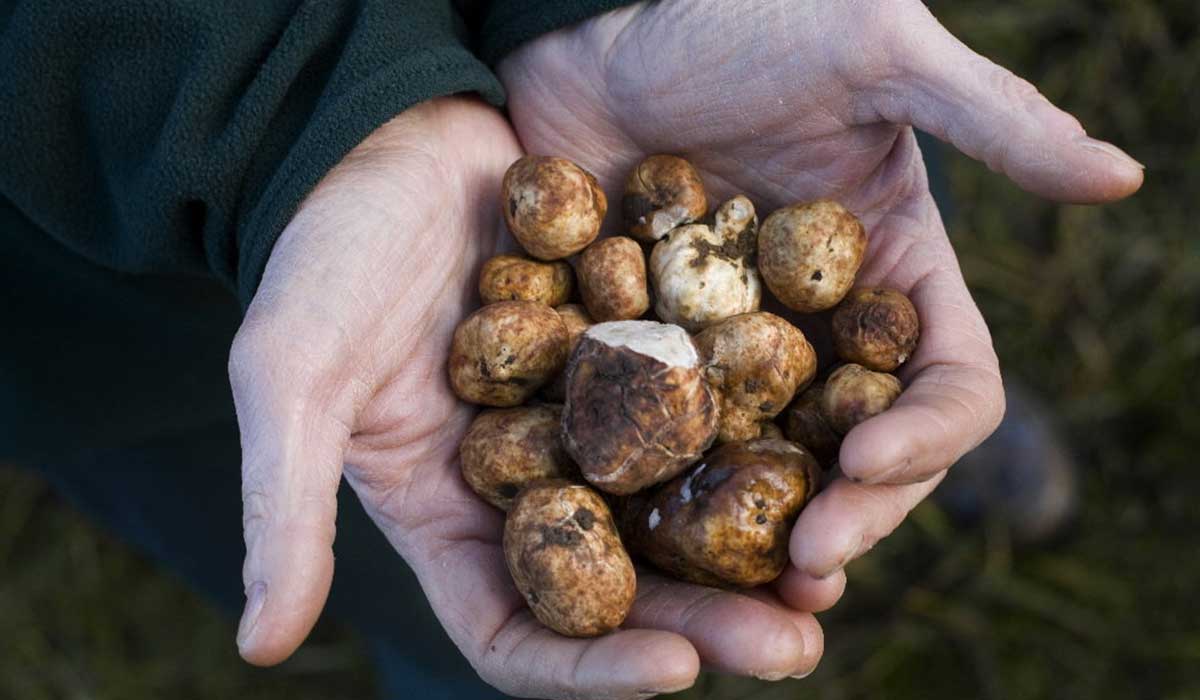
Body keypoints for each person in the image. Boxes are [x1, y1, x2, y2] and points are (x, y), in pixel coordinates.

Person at [0, 1, 1142, 697]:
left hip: (706, 108)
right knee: (425, 565)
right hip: (122, 271)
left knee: (878, 273)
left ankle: (892, 434)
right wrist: (296, 113)